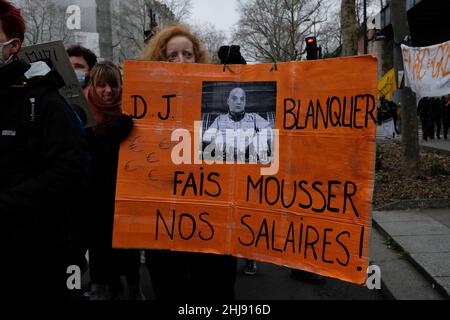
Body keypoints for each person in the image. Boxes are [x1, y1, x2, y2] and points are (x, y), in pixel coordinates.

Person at [140, 24, 237, 300]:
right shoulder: (142, 104)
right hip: (165, 228)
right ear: (159, 61)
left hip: (213, 226)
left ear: (198, 59)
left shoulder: (218, 101)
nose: (180, 61)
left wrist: (243, 81)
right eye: (172, 56)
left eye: (187, 54)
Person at [0, 0, 88, 299]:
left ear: (13, 46)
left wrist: (7, 203)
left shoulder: (44, 101)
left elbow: (68, 169)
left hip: (34, 251)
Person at [83, 61, 142, 300]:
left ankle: (133, 284)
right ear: (93, 86)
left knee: (128, 245)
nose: (108, 91)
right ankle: (101, 285)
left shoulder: (132, 112)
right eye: (102, 85)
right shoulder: (81, 113)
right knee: (99, 243)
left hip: (126, 194)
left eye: (114, 85)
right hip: (95, 196)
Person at [202, 87, 273, 163]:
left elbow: (269, 131)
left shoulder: (254, 117)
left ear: (245, 102)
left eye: (242, 99)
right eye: (234, 99)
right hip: (225, 159)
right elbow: (206, 136)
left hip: (249, 159)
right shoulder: (220, 119)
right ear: (228, 101)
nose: (239, 102)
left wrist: (254, 144)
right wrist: (216, 146)